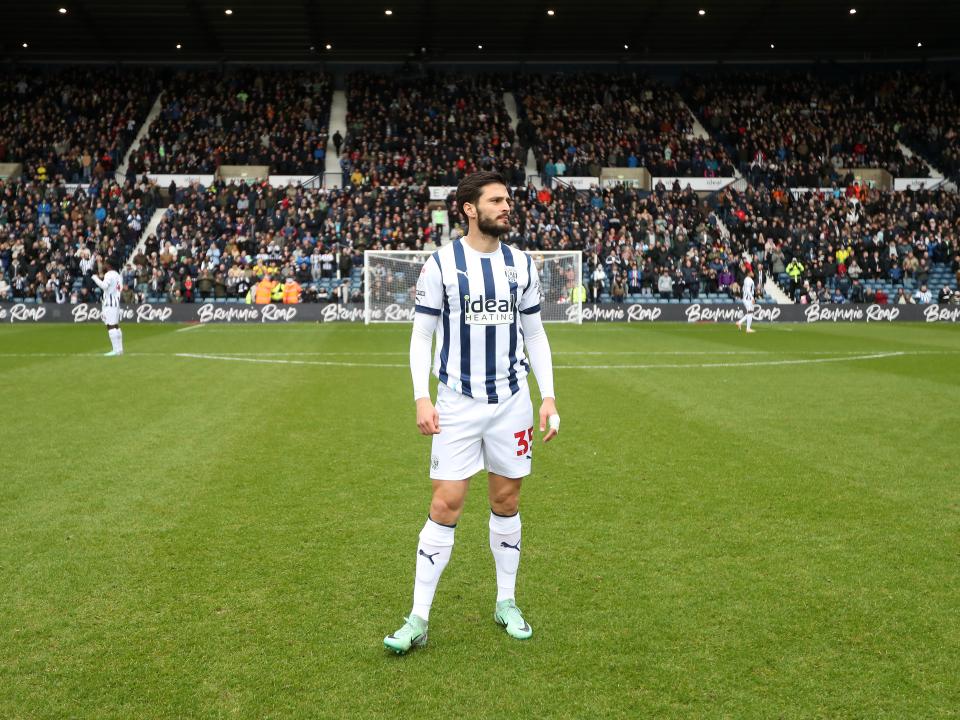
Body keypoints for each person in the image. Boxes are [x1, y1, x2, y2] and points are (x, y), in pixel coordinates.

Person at [384, 171, 559, 655]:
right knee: (446, 504)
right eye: (497, 200)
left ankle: (507, 601)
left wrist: (548, 395)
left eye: (508, 200)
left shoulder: (521, 264)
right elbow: (422, 335)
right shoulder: (440, 264)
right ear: (468, 208)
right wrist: (421, 396)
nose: (507, 207)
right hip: (457, 403)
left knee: (506, 501)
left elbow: (535, 334)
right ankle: (418, 617)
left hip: (511, 403)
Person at [90, 257, 124, 356]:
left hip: (109, 303)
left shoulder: (109, 274)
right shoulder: (118, 275)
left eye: (105, 263)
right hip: (116, 302)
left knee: (110, 325)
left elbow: (104, 286)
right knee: (116, 325)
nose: (104, 265)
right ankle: (119, 349)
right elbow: (119, 288)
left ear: (109, 265)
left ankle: (115, 350)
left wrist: (94, 277)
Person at [735, 266, 757, 334]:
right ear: (748, 273)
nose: (753, 273)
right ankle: (747, 328)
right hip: (748, 299)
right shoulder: (748, 280)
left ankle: (740, 322)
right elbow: (747, 290)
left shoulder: (747, 279)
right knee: (750, 312)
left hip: (747, 298)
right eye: (751, 272)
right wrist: (752, 298)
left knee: (750, 313)